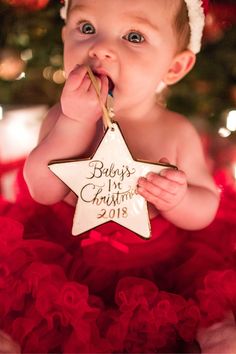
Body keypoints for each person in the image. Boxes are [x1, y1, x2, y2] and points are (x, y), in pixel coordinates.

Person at [1, 0, 236, 353]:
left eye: (133, 35)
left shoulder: (175, 131)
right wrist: (74, 122)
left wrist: (180, 198)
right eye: (86, 28)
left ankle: (216, 330)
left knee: (197, 296)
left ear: (174, 67)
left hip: (157, 265)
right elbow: (43, 190)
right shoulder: (61, 116)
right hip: (67, 258)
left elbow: (205, 209)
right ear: (65, 35)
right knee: (32, 302)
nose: (100, 49)